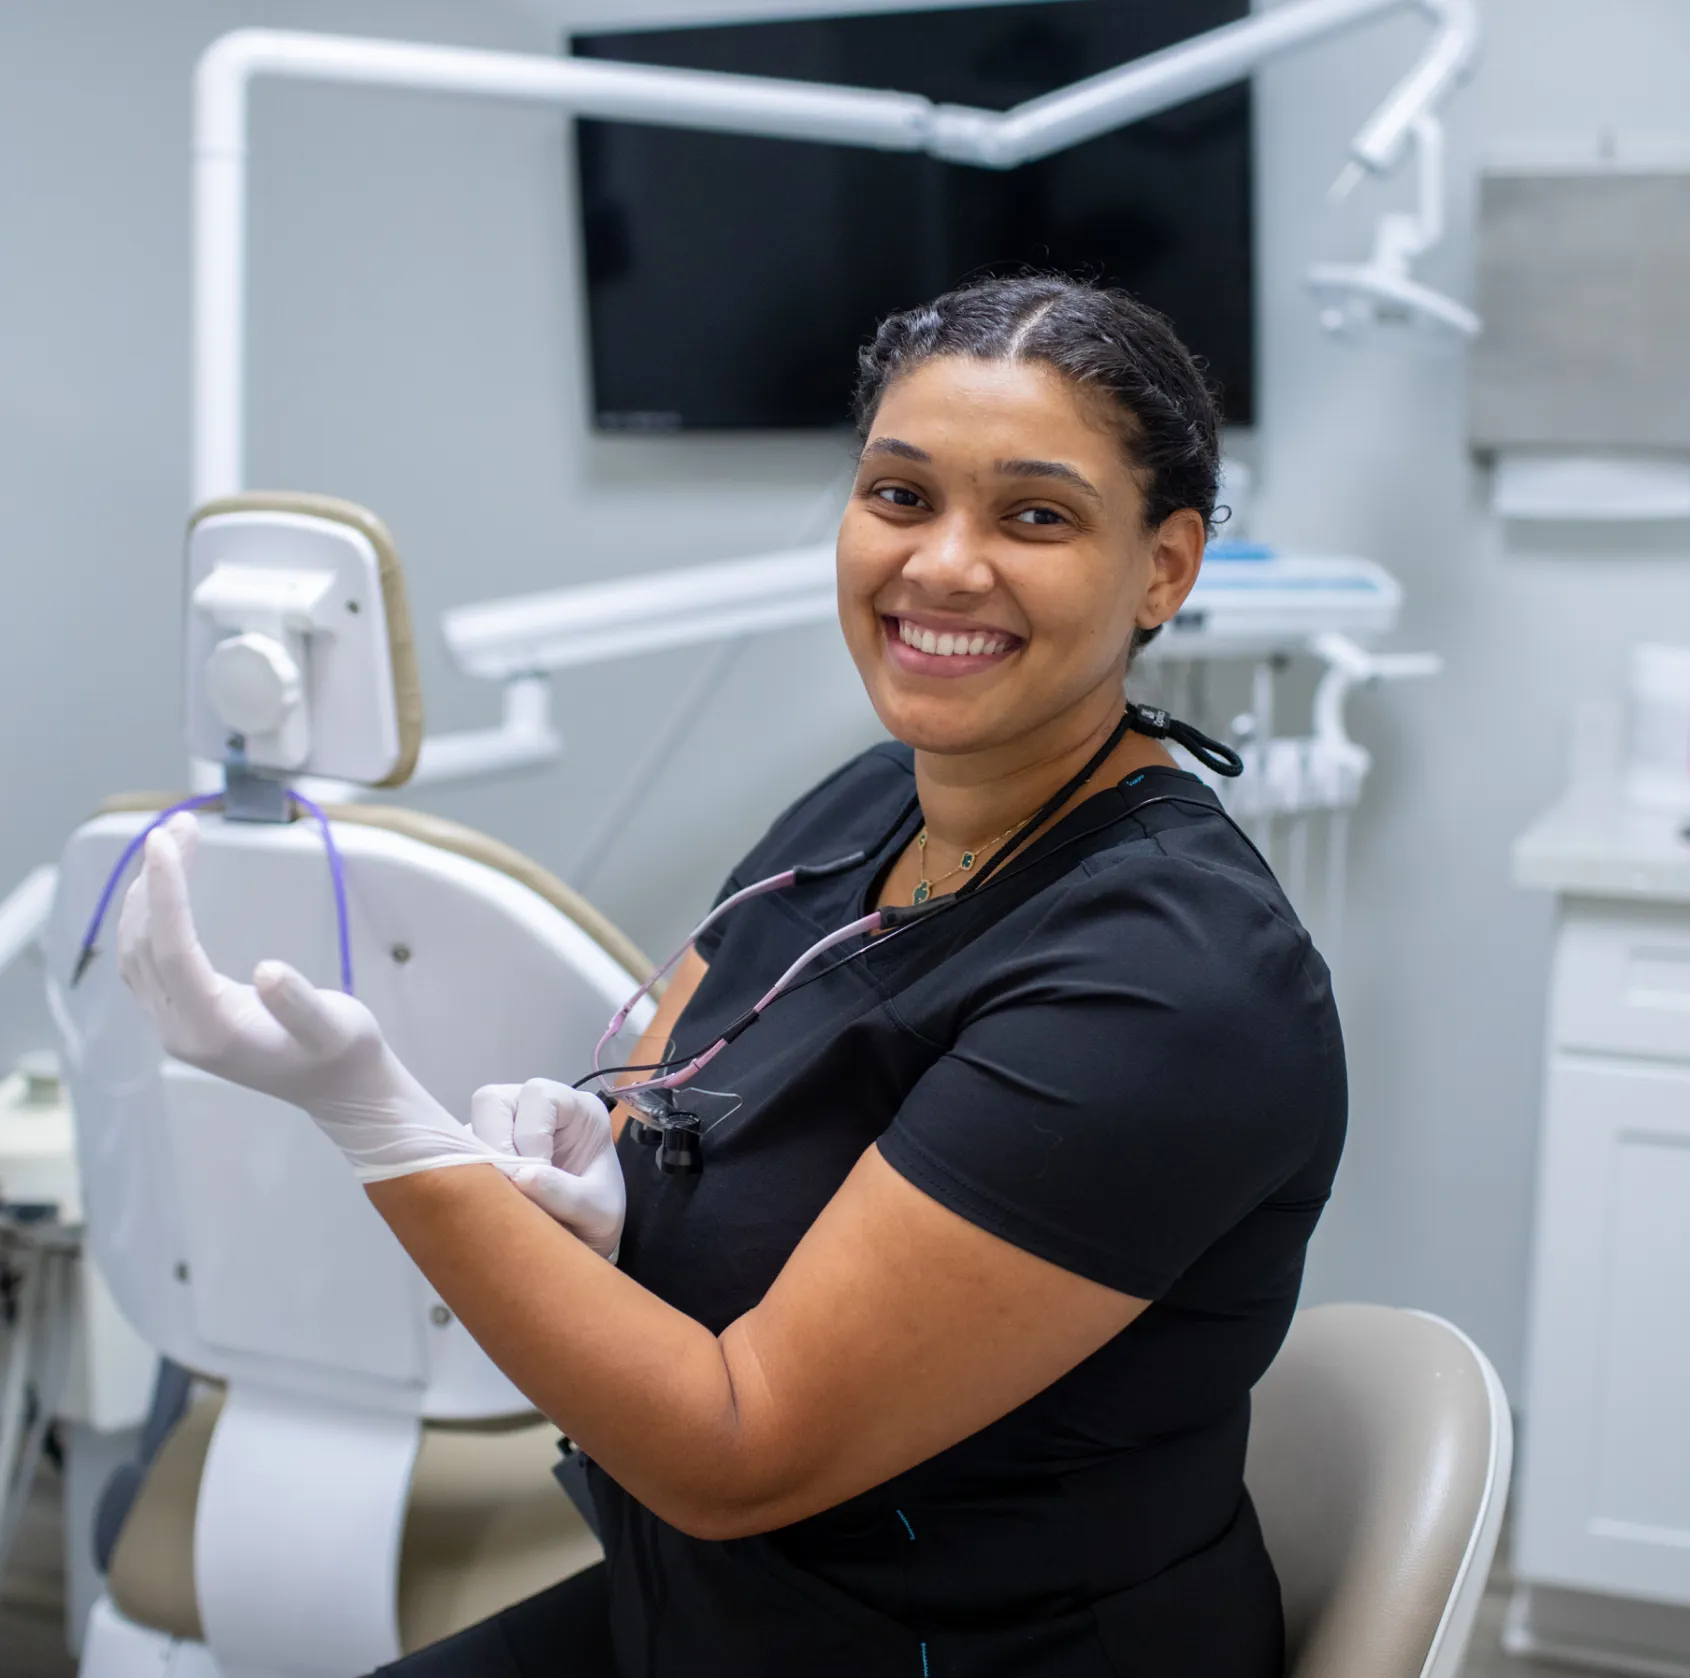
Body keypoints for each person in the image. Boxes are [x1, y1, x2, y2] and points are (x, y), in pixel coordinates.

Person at [118, 274, 1346, 1678]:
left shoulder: (1168, 988)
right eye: (898, 495)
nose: (942, 563)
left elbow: (733, 1447)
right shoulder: (865, 806)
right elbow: (660, 1086)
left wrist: (375, 1119)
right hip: (714, 1614)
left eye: (1034, 514)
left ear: (1165, 567)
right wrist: (595, 1192)